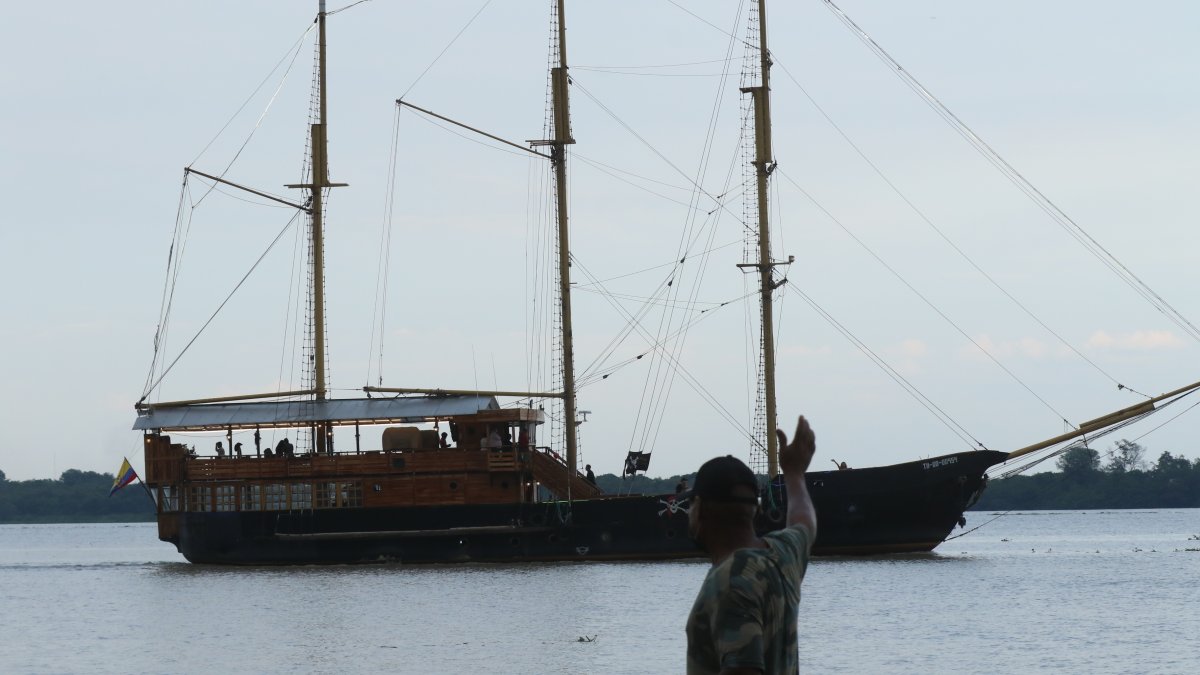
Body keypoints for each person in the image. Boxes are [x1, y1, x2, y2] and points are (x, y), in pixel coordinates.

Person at [685, 415, 817, 675]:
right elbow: (804, 523)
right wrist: (794, 474)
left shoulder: (730, 583)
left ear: (699, 508)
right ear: (755, 510)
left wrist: (794, 473)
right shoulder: (782, 555)